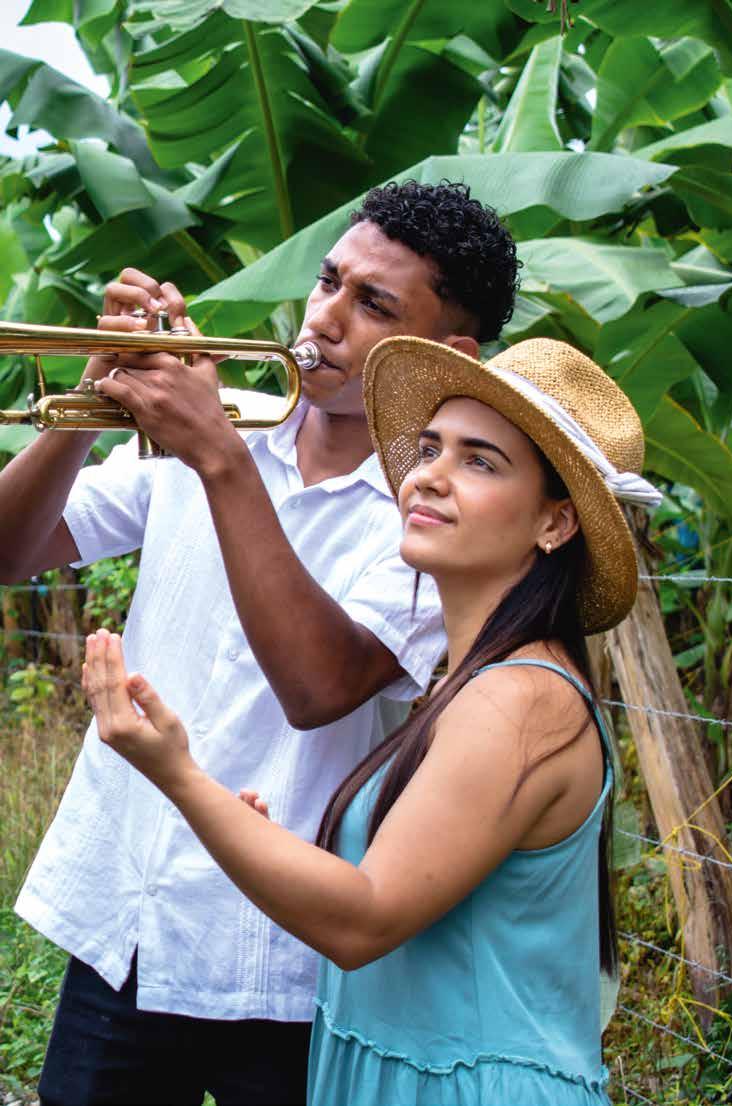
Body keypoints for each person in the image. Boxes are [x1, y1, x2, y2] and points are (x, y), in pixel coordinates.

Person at [0, 181, 520, 1106]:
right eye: (328, 281)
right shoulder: (222, 420)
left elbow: (320, 687)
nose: (325, 318)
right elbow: (10, 553)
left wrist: (218, 458)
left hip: (286, 957)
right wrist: (89, 395)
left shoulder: (437, 511)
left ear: (447, 356)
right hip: (131, 915)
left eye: (374, 305)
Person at [83, 336, 663, 1106]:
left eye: (480, 462)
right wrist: (252, 833)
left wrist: (178, 775)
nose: (429, 476)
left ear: (555, 524)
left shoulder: (521, 700)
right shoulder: (476, 683)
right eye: (429, 449)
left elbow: (363, 920)